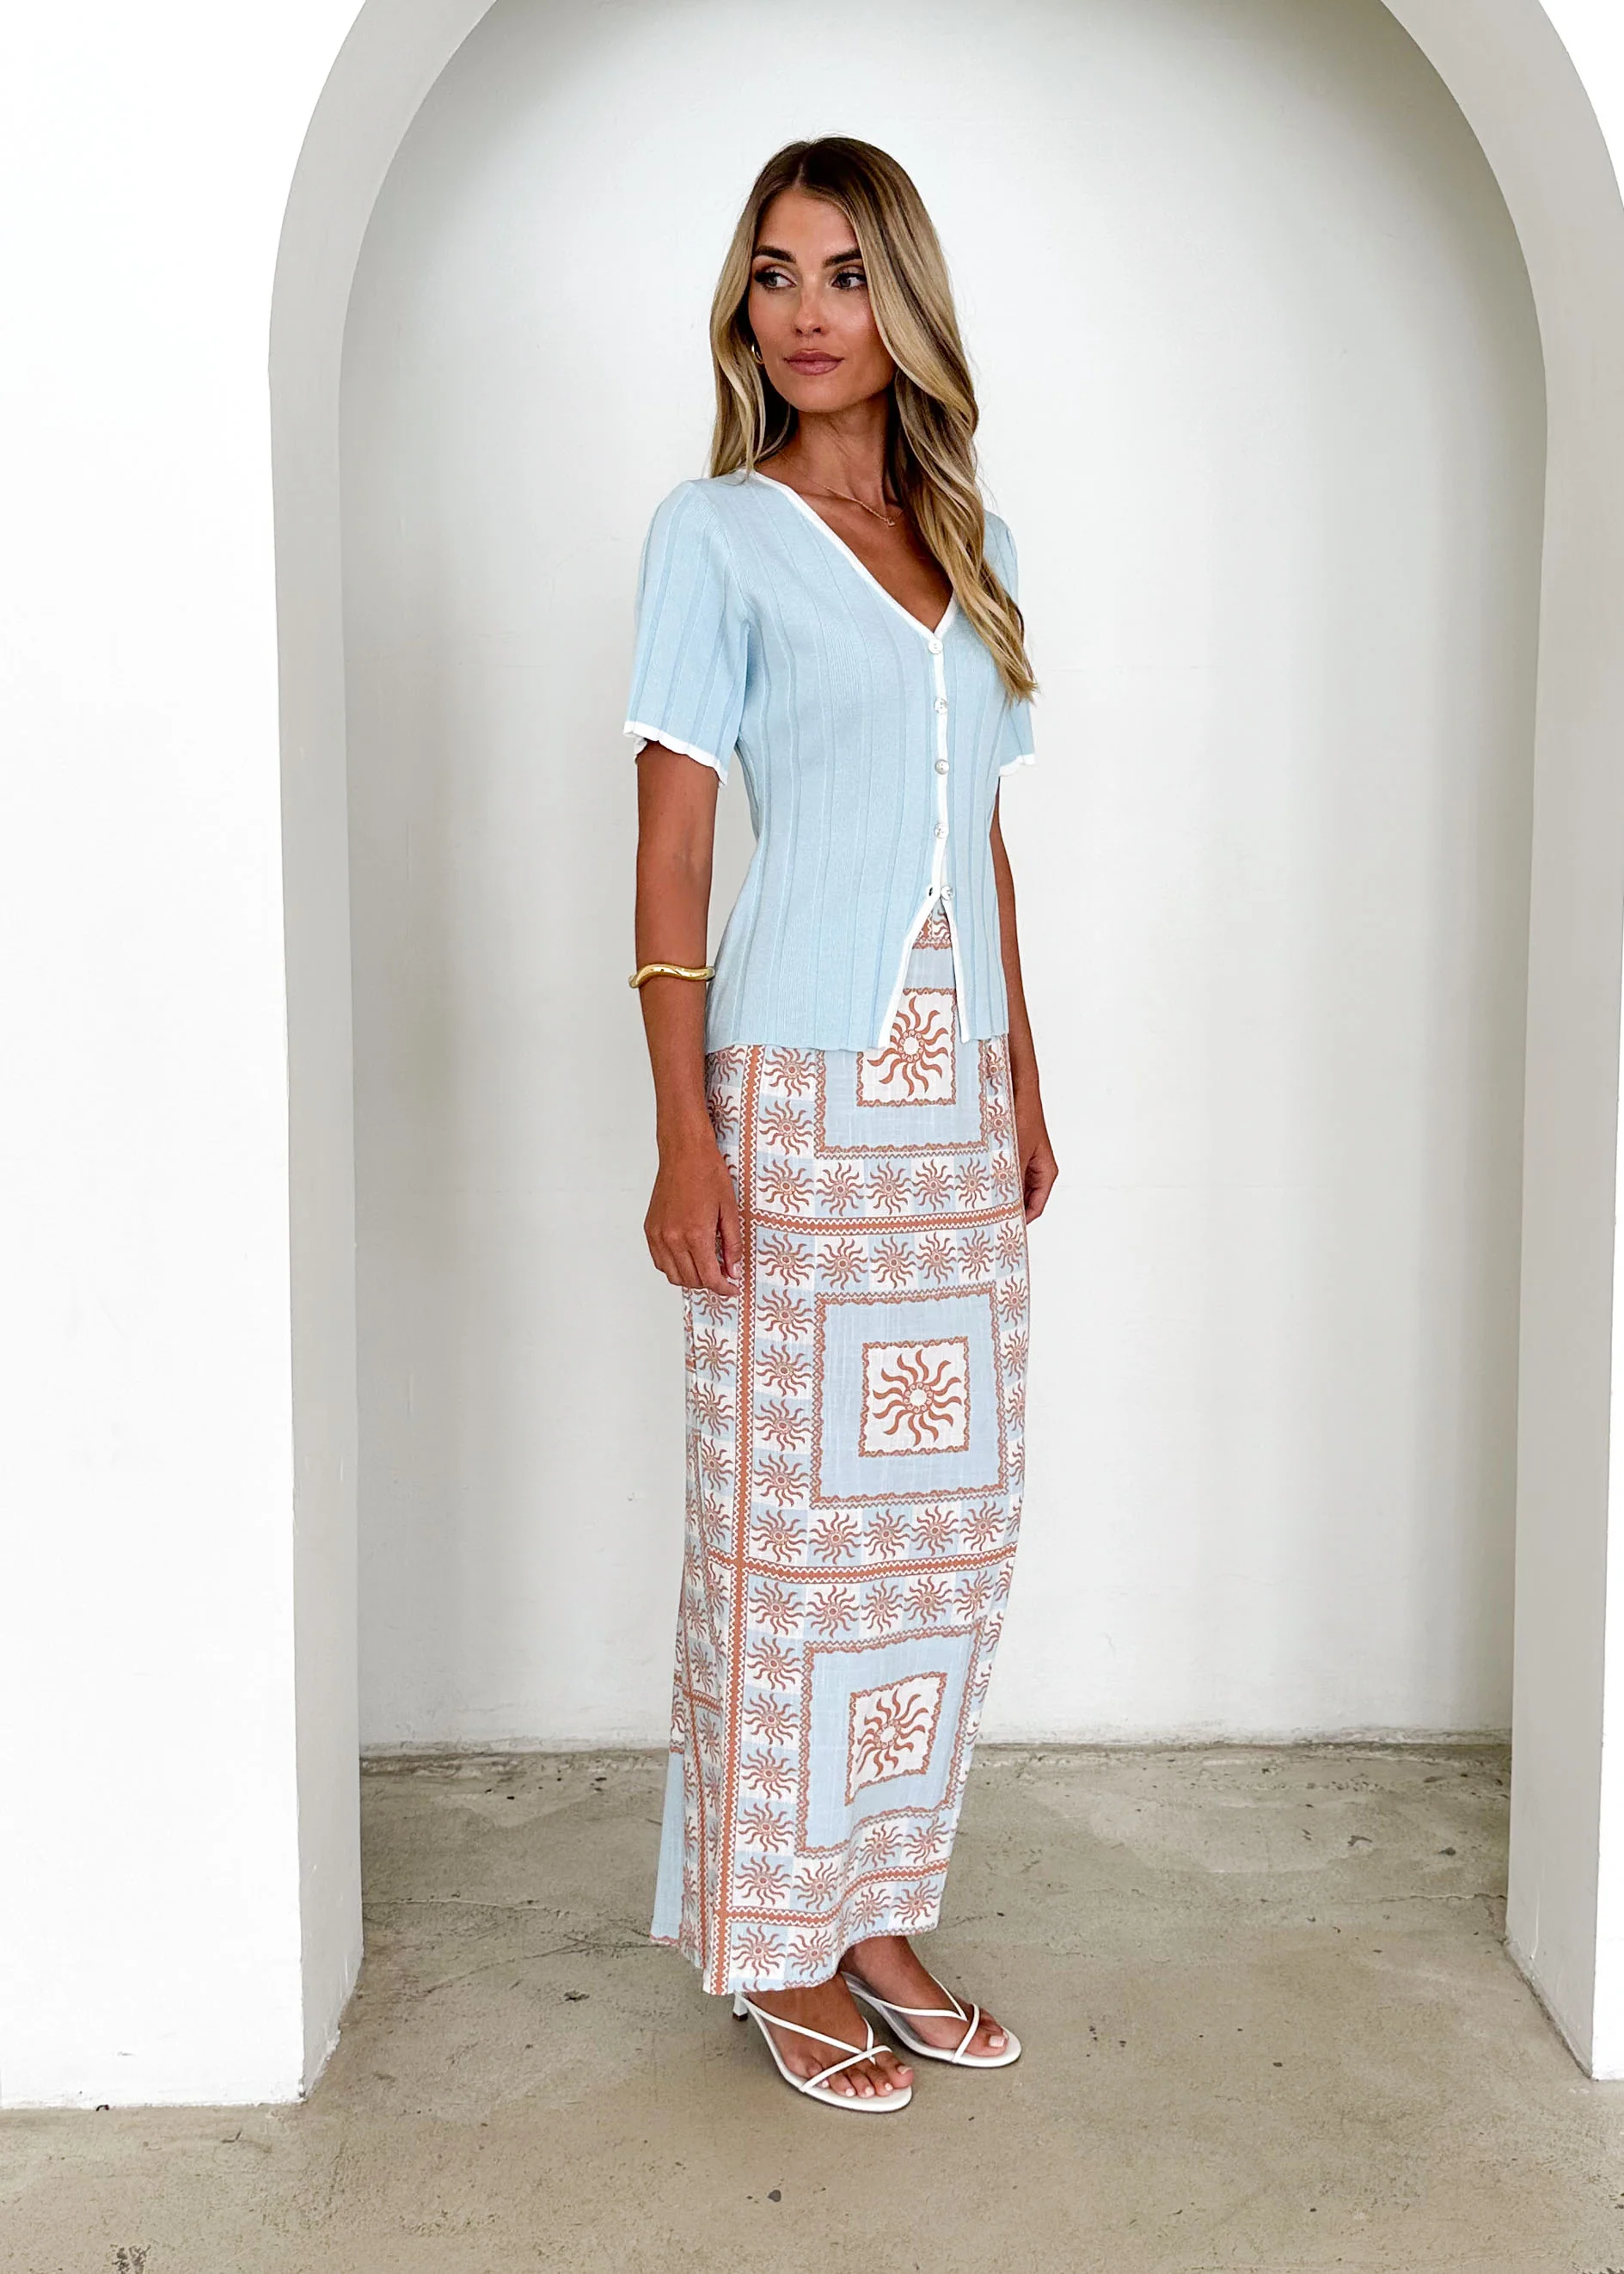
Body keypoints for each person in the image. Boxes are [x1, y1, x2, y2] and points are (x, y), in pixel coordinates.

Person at [624, 136, 1057, 2112]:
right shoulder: (712, 535)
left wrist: (1022, 1072)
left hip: (947, 1105)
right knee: (783, 1546)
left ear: (905, 301)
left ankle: (878, 1906)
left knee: (938, 1539)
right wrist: (681, 1132)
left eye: (846, 273)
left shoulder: (972, 542)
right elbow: (670, 851)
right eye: (775, 274)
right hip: (794, 1094)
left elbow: (981, 835)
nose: (805, 312)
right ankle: (771, 1935)